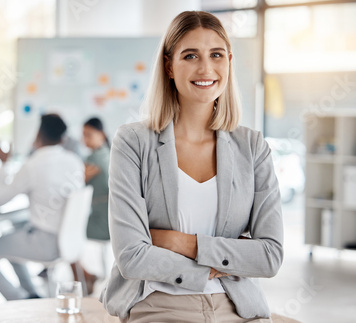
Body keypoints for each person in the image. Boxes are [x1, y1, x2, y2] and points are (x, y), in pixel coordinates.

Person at [100, 11, 284, 323]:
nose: (206, 68)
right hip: (158, 306)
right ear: (169, 66)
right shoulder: (133, 142)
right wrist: (220, 261)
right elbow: (131, 257)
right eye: (190, 56)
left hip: (236, 307)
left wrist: (181, 242)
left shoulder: (252, 147)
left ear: (228, 61)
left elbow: (269, 256)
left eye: (216, 55)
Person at [0, 114, 84, 300]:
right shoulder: (75, 161)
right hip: (68, 241)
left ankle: (18, 299)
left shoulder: (33, 165)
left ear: (38, 135)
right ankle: (31, 295)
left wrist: (4, 164)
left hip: (45, 245)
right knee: (13, 233)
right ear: (62, 138)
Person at [71, 117, 111, 294]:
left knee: (65, 233)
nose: (84, 140)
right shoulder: (108, 153)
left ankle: (83, 276)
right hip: (110, 220)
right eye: (83, 135)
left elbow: (73, 185)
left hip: (102, 224)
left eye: (88, 135)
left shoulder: (94, 159)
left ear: (101, 134)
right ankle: (85, 274)